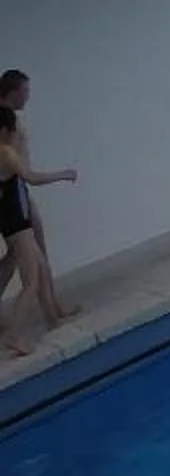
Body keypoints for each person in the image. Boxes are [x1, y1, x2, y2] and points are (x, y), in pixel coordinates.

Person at [0, 105, 78, 356]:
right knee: (31, 281)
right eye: (14, 130)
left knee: (25, 268)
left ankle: (35, 323)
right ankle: (14, 336)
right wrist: (63, 175)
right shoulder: (6, 153)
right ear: (5, 130)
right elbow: (31, 178)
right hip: (18, 222)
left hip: (8, 221)